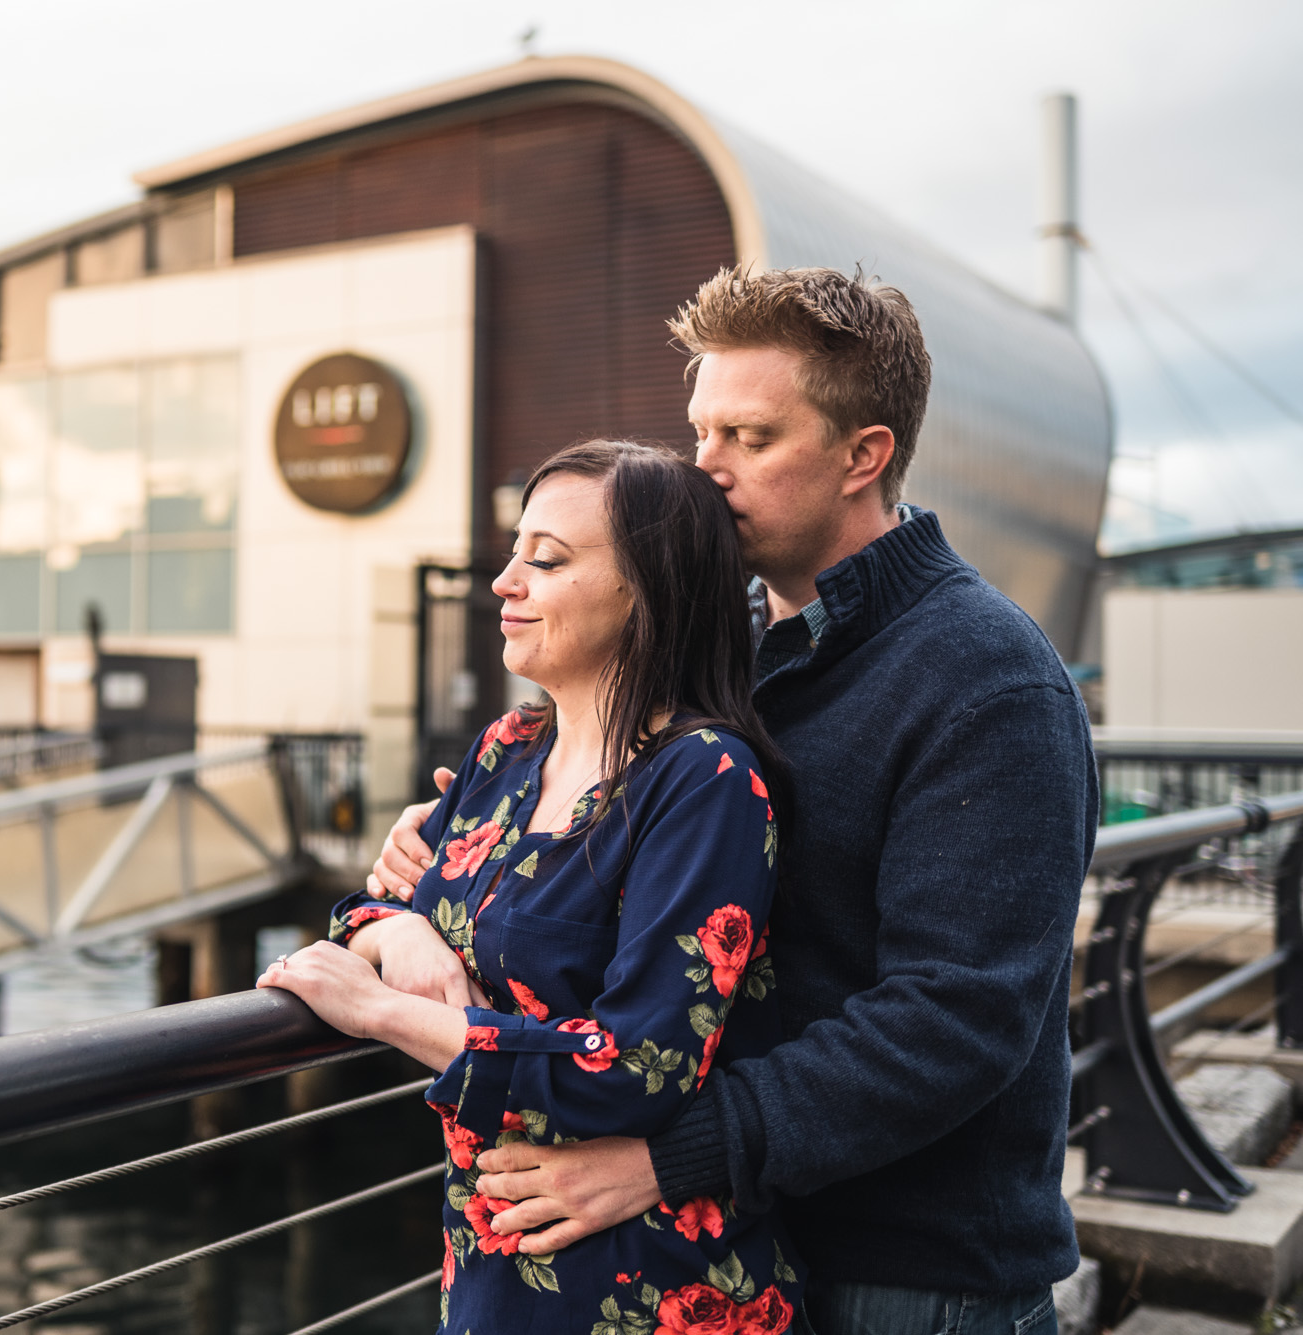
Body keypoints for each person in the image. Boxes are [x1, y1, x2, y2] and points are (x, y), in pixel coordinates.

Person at [365, 267, 1095, 1335]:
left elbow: (954, 1022)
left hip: (910, 1276)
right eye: (700, 433)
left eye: (748, 439)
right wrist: (445, 870)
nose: (702, 472)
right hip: (737, 1245)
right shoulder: (723, 657)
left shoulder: (987, 678)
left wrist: (668, 1158)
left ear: (864, 456)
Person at [261, 440, 805, 1333]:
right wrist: (396, 937)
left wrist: (386, 1012)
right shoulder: (509, 747)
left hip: (649, 1280)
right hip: (489, 1262)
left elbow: (641, 1066)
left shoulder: (705, 779)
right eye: (514, 552)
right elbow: (372, 903)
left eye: (546, 560)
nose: (504, 582)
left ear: (647, 590)